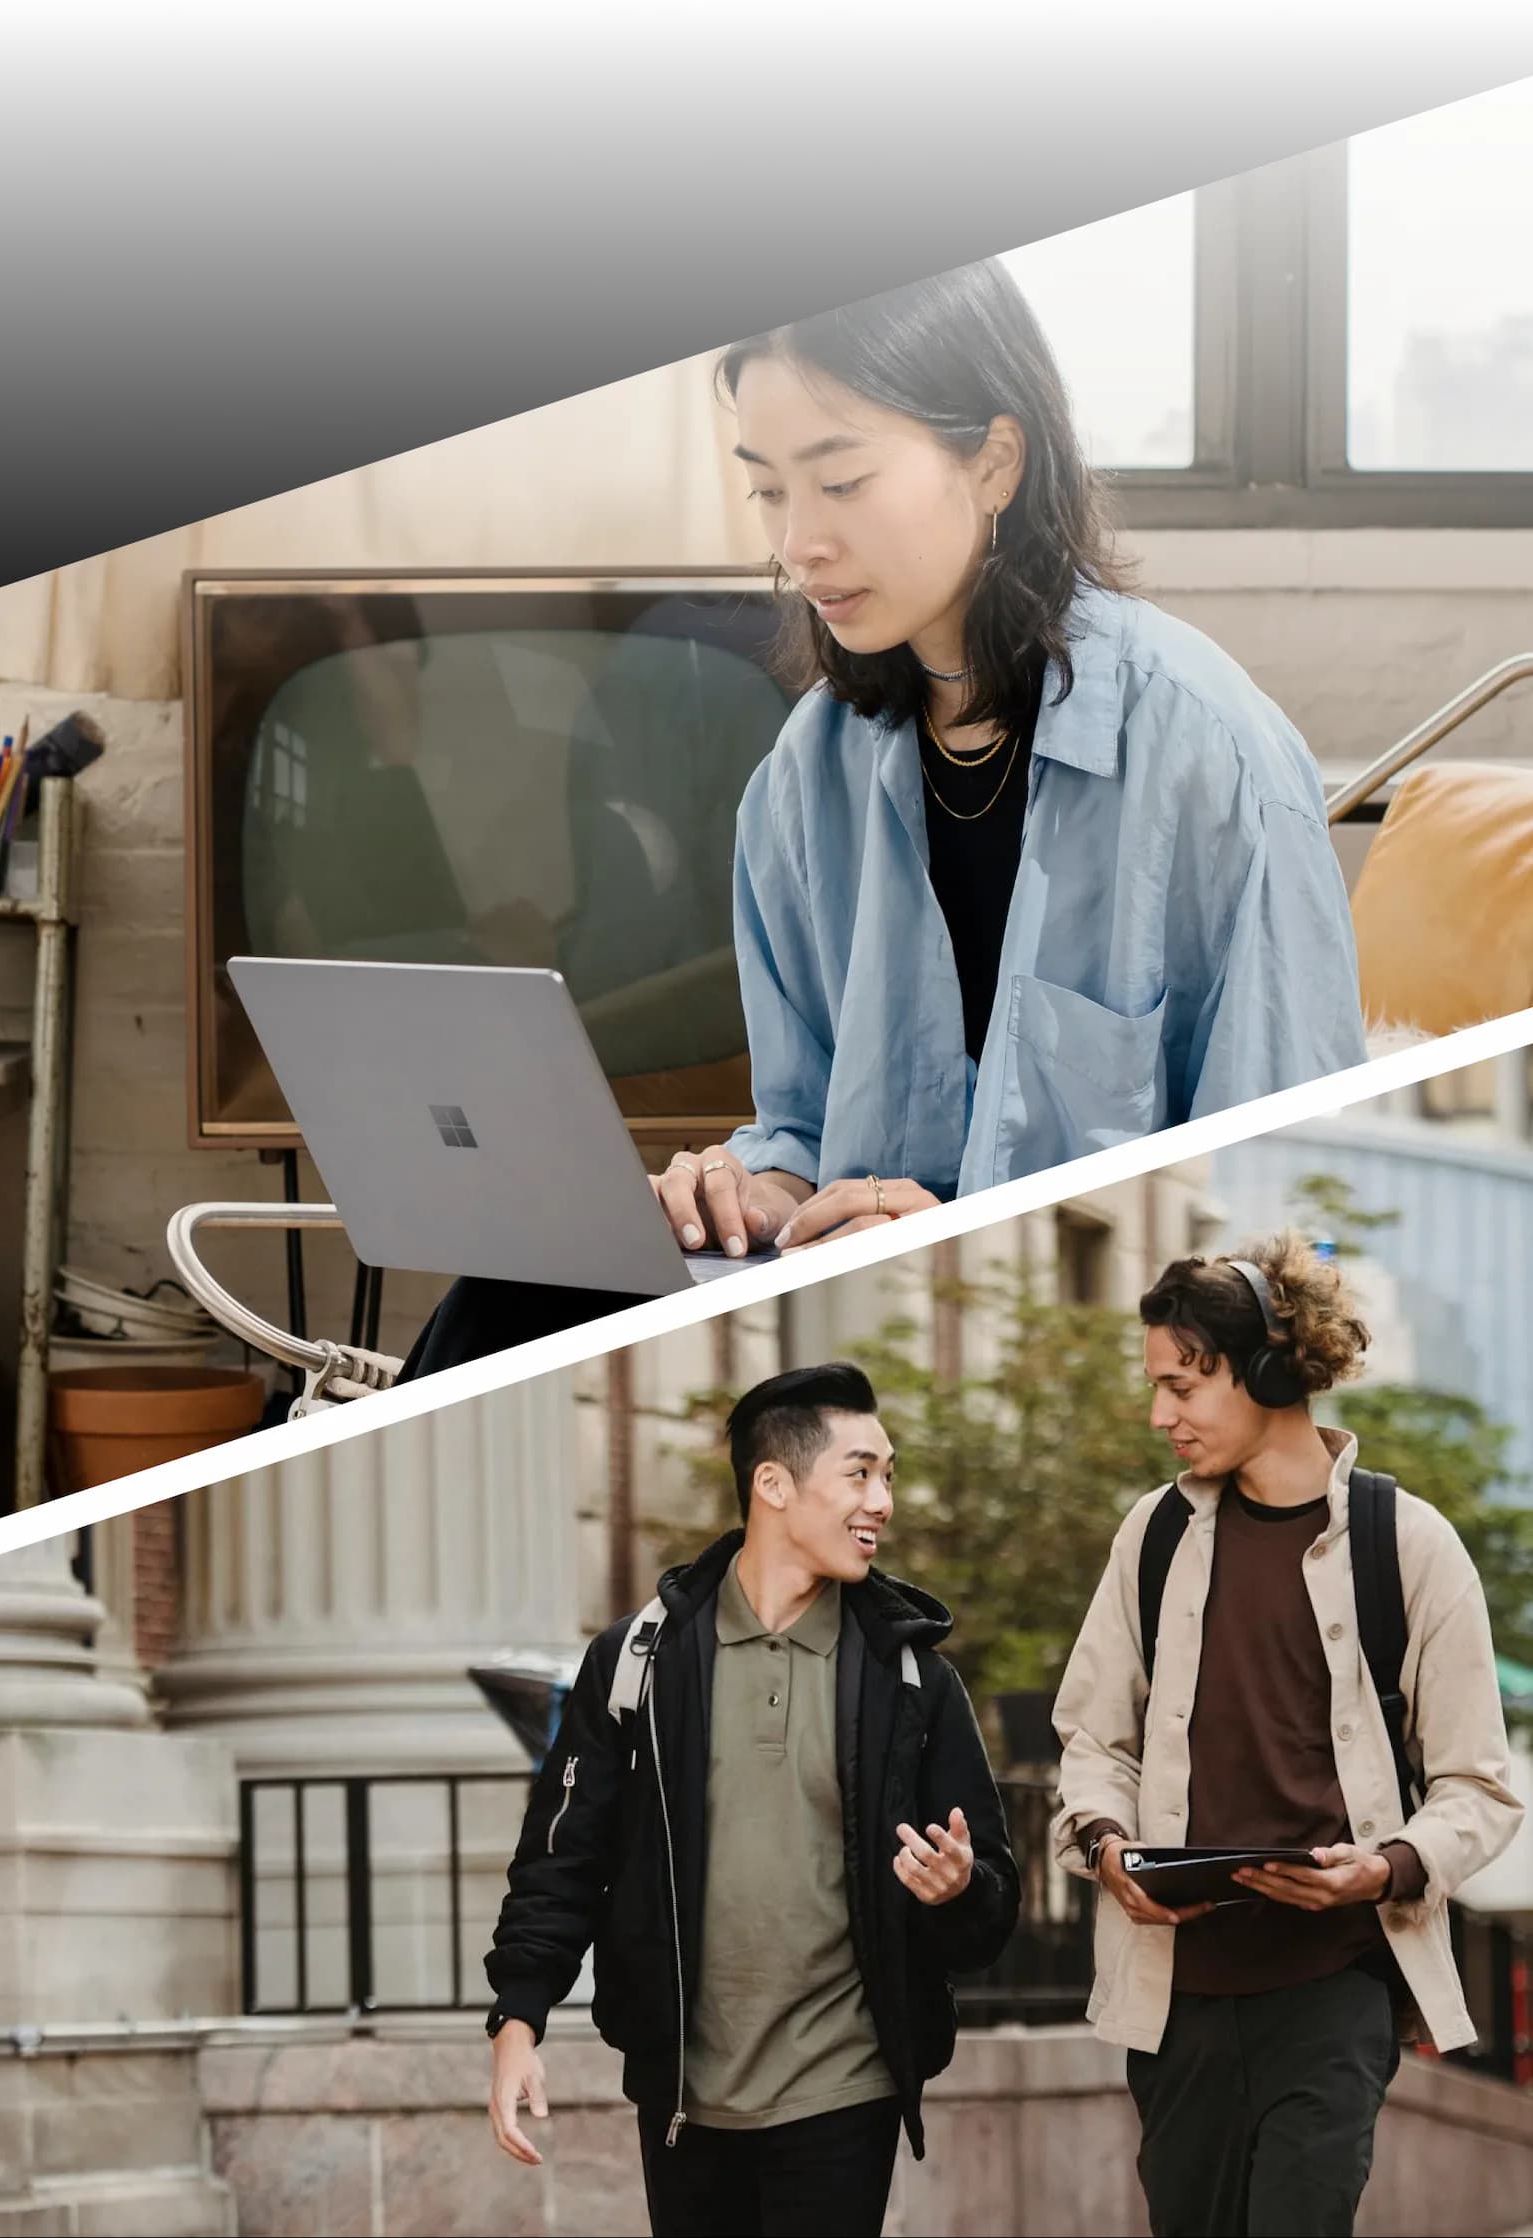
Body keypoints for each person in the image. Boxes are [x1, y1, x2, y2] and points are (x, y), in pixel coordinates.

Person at [397, 257, 1366, 1379]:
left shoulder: (1213, 764)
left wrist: (957, 1243)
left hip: (1050, 1347)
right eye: (767, 489)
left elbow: (1276, 1202)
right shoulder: (805, 774)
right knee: (520, 1283)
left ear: (993, 461)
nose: (796, 540)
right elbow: (800, 1122)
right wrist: (753, 1187)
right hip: (846, 1298)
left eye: (841, 481)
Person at [1051, 1236, 1524, 2238]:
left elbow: (1478, 1787)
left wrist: (1385, 1867)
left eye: (1181, 1385)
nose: (1157, 1416)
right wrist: (1103, 1846)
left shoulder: (1411, 1546)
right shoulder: (1153, 1535)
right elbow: (1093, 1737)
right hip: (1173, 1996)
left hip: (1330, 1990)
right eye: (1153, 1388)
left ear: (1267, 1371)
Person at [483, 1362, 1020, 2238]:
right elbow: (561, 1856)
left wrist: (962, 1889)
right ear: (773, 1484)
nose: (883, 1499)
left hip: (846, 2085)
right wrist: (518, 2020)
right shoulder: (638, 1664)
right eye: (860, 1473)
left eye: (889, 1475)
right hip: (685, 2091)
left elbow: (994, 1902)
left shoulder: (911, 1676)